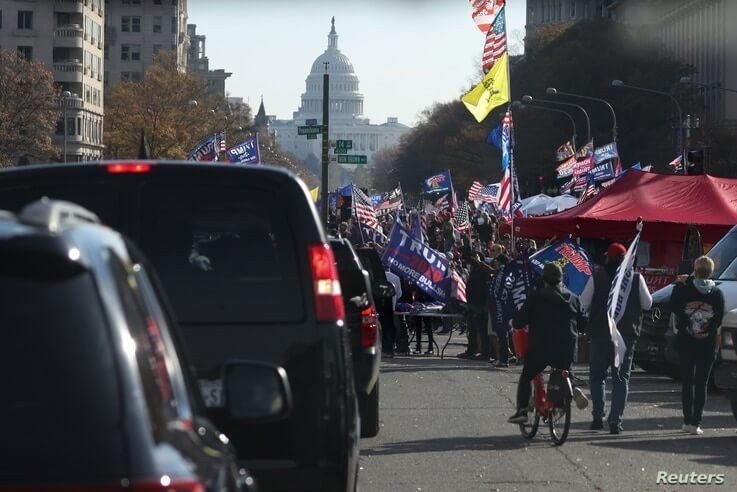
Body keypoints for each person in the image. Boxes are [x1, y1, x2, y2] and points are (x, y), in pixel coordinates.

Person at [580, 242, 652, 434]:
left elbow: (583, 302)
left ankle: (597, 417)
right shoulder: (636, 279)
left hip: (600, 333)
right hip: (626, 335)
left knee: (597, 376)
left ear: (608, 258)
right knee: (621, 379)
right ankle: (615, 421)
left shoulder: (596, 276)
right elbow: (647, 303)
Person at [508, 263, 581, 423]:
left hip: (541, 348)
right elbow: (582, 324)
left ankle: (522, 410)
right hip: (566, 348)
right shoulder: (574, 298)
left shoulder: (537, 297)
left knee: (527, 374)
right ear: (561, 279)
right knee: (564, 369)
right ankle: (569, 391)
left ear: (544, 280)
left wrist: (514, 322)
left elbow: (520, 321)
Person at [670, 256, 724, 435]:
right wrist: (707, 330)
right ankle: (696, 422)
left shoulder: (685, 289)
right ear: (711, 271)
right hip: (706, 343)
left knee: (687, 382)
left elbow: (674, 306)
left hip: (687, 341)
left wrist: (680, 284)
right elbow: (718, 318)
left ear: (695, 269)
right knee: (702, 383)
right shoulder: (716, 293)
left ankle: (686, 420)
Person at [458, 253, 492, 360]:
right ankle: (471, 351)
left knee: (482, 330)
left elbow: (487, 285)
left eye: (475, 257)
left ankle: (485, 353)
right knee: (472, 329)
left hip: (481, 304)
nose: (472, 259)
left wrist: (484, 306)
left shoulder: (484, 271)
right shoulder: (474, 271)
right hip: (472, 303)